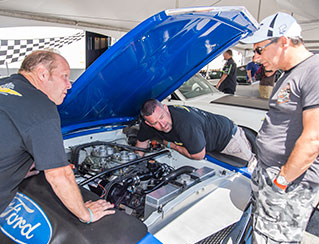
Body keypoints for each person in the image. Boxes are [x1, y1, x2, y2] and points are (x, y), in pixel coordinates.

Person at [0, 50, 114, 223]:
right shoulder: (40, 106)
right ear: (42, 74)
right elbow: (59, 175)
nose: (69, 85)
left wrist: (15, 170)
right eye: (64, 76)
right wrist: (85, 213)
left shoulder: (4, 85)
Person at [242, 12, 319, 244]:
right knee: (260, 234)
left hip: (290, 182)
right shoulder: (289, 73)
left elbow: (313, 138)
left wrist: (281, 182)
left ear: (283, 41)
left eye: (260, 49)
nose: (255, 58)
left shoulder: (314, 71)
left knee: (275, 243)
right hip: (270, 173)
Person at [136, 99, 256, 171]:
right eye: (155, 122)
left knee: (248, 173)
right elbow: (141, 143)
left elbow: (198, 155)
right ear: (148, 123)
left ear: (166, 108)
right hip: (205, 140)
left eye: (162, 117)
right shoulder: (147, 124)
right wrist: (136, 164)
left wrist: (171, 145)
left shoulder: (185, 123)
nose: (162, 124)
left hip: (229, 139)